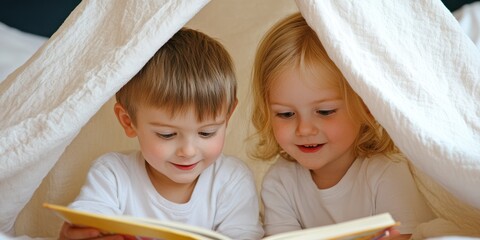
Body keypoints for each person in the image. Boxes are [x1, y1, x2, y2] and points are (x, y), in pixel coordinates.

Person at [59, 28, 264, 240]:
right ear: (128, 121)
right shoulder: (112, 175)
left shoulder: (232, 180)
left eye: (206, 133)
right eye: (167, 135)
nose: (188, 151)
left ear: (228, 117)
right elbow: (89, 222)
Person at [250, 12, 435, 238]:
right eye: (286, 114)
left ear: (366, 105)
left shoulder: (386, 173)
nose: (305, 129)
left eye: (325, 112)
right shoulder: (280, 182)